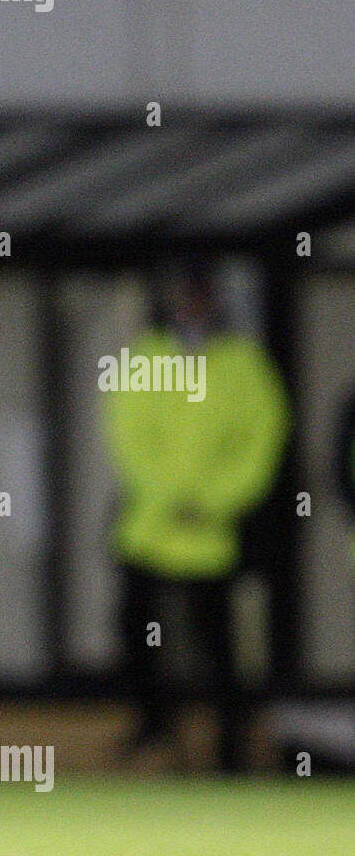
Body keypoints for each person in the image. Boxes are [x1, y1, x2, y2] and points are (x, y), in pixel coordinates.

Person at [105, 270, 289, 772]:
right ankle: (153, 729)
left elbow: (262, 440)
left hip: (214, 532)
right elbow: (127, 435)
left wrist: (213, 500)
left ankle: (231, 745)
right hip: (151, 527)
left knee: (220, 645)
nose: (195, 306)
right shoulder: (147, 355)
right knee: (137, 632)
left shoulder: (243, 363)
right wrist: (170, 497)